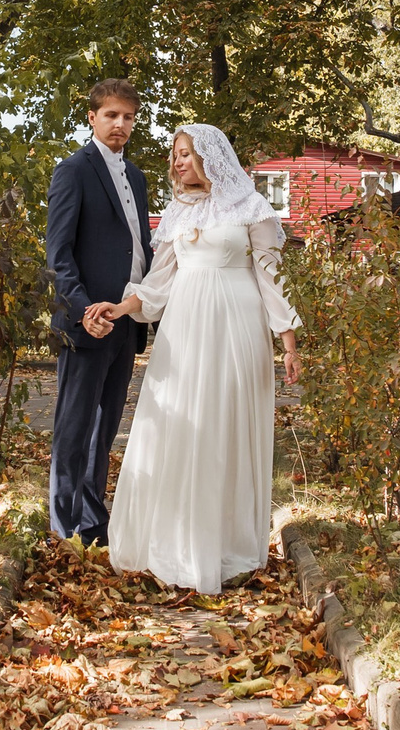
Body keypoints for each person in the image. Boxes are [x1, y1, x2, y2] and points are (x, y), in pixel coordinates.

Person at [84, 124, 302, 594]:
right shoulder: (177, 212)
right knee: (182, 423)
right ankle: (173, 543)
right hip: (183, 330)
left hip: (236, 327)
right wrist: (119, 307)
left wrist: (287, 340)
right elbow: (158, 283)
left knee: (222, 423)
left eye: (186, 154)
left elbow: (271, 277)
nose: (177, 162)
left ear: (210, 156)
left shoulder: (252, 207)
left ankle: (223, 544)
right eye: (175, 155)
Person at [42, 79, 158, 547]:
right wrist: (81, 308)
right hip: (88, 320)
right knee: (74, 424)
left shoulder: (137, 177)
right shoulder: (73, 171)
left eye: (128, 117)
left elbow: (140, 247)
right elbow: (58, 252)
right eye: (112, 115)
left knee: (107, 423)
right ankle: (62, 524)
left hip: (125, 320)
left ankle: (93, 518)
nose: (121, 124)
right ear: (92, 117)